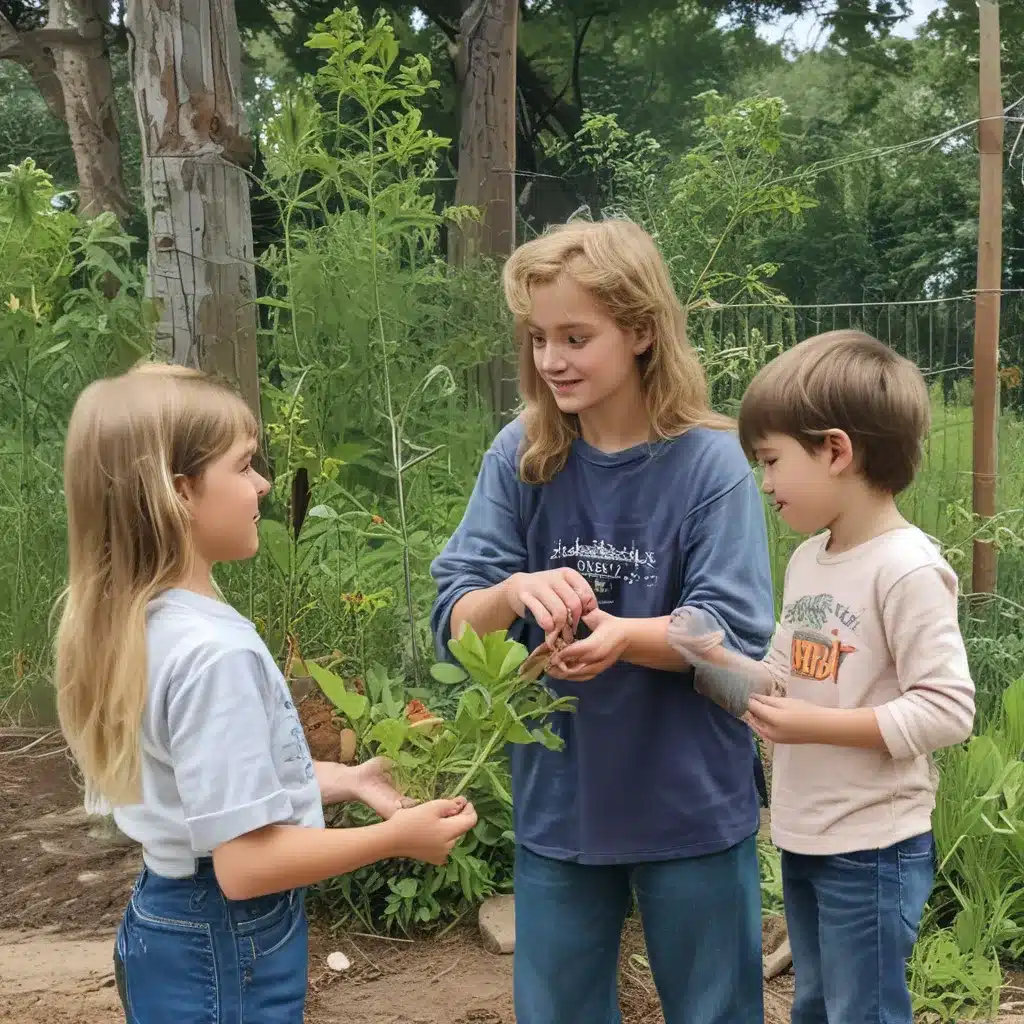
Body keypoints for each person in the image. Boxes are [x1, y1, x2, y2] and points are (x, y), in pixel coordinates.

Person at [54, 363, 478, 1024]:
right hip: (224, 941)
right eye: (245, 465)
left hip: (171, 925)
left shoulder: (149, 620)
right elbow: (246, 866)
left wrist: (349, 779)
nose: (264, 484)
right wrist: (395, 838)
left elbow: (206, 788)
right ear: (180, 492)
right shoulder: (214, 654)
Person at [430, 219, 776, 1024]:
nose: (552, 359)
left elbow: (731, 638)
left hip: (689, 802)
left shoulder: (710, 462)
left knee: (716, 1010)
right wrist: (513, 591)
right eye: (540, 337)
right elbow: (454, 618)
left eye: (577, 336)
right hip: (562, 803)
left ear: (643, 331)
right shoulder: (521, 456)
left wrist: (625, 636)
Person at [668, 330, 976, 1024]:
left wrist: (814, 726)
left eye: (772, 460)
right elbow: (781, 679)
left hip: (872, 847)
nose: (765, 482)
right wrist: (711, 660)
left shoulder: (907, 568)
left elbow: (949, 709)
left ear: (836, 450)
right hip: (805, 836)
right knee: (814, 1005)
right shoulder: (811, 560)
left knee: (860, 1012)